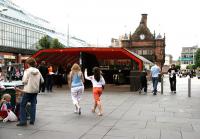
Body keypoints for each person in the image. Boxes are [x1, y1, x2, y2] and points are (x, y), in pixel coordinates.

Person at [15, 58, 44, 126]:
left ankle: (23, 121)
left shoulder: (27, 71)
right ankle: (32, 120)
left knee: (22, 105)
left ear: (28, 64)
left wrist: (26, 81)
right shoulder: (38, 71)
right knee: (33, 105)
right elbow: (42, 80)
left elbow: (24, 81)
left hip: (28, 90)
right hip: (35, 90)